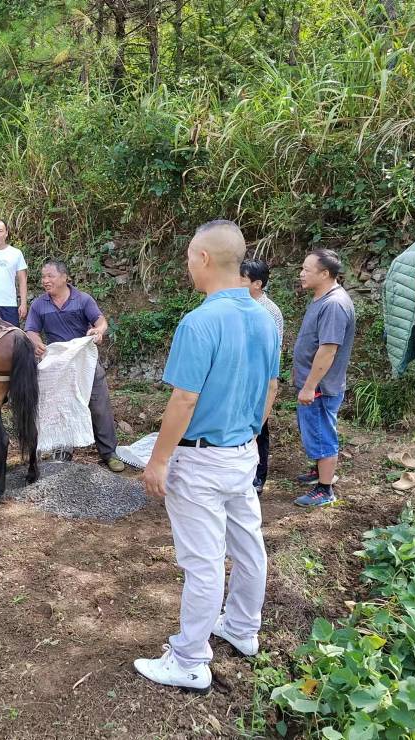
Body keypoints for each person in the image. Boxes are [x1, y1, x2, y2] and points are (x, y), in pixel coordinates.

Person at [134, 220, 279, 693]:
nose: (187, 266)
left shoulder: (200, 322)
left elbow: (184, 400)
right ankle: (242, 627)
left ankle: (189, 659)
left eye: (188, 258)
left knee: (203, 563)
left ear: (203, 259)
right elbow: (270, 386)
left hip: (201, 459)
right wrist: (253, 434)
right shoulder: (264, 316)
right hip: (243, 451)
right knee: (248, 544)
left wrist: (158, 461)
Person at [25, 260, 126, 473]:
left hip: (85, 361)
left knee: (99, 406)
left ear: (64, 277)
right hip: (58, 365)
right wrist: (35, 342)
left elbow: (101, 322)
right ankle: (63, 450)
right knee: (61, 405)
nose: (45, 281)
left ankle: (109, 453)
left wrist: (98, 332)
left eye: (50, 276)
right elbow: (31, 330)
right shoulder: (39, 304)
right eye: (43, 277)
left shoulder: (82, 299)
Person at [291, 249, 355, 507]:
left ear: (325, 274)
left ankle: (325, 489)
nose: (302, 273)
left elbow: (328, 350)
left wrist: (309, 386)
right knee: (315, 430)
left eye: (307, 269)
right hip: (314, 383)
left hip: (320, 387)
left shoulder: (334, 304)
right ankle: (319, 471)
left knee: (321, 433)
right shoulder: (322, 298)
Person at [240, 259, 284, 495]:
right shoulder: (241, 305)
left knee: (259, 427)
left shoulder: (269, 311)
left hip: (258, 379)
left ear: (257, 284)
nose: (238, 282)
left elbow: (273, 350)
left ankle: (259, 476)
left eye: (243, 279)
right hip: (241, 377)